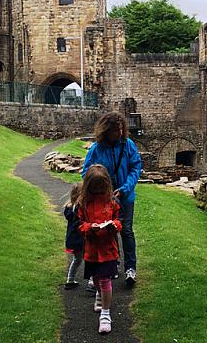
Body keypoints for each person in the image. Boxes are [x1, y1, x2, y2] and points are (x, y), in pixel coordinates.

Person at [81, 111, 142, 286]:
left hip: (125, 196)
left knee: (127, 231)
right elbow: (87, 172)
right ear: (106, 130)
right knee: (107, 231)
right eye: (116, 130)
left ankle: (130, 268)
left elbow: (135, 167)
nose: (120, 133)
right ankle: (111, 264)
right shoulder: (96, 149)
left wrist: (124, 189)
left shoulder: (128, 145)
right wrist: (102, 190)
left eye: (121, 129)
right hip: (103, 200)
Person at [78, 164, 122, 334]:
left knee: (104, 280)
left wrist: (114, 226)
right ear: (88, 186)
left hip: (108, 250)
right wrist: (90, 227)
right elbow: (79, 225)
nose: (98, 191)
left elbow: (118, 220)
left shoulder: (112, 202)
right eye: (95, 188)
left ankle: (105, 314)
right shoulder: (83, 204)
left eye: (101, 188)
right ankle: (99, 294)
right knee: (96, 279)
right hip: (92, 250)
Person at [63, 182, 84, 289]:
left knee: (77, 260)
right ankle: (92, 281)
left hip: (71, 240)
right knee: (88, 259)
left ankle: (70, 280)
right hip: (79, 240)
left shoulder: (69, 208)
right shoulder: (78, 208)